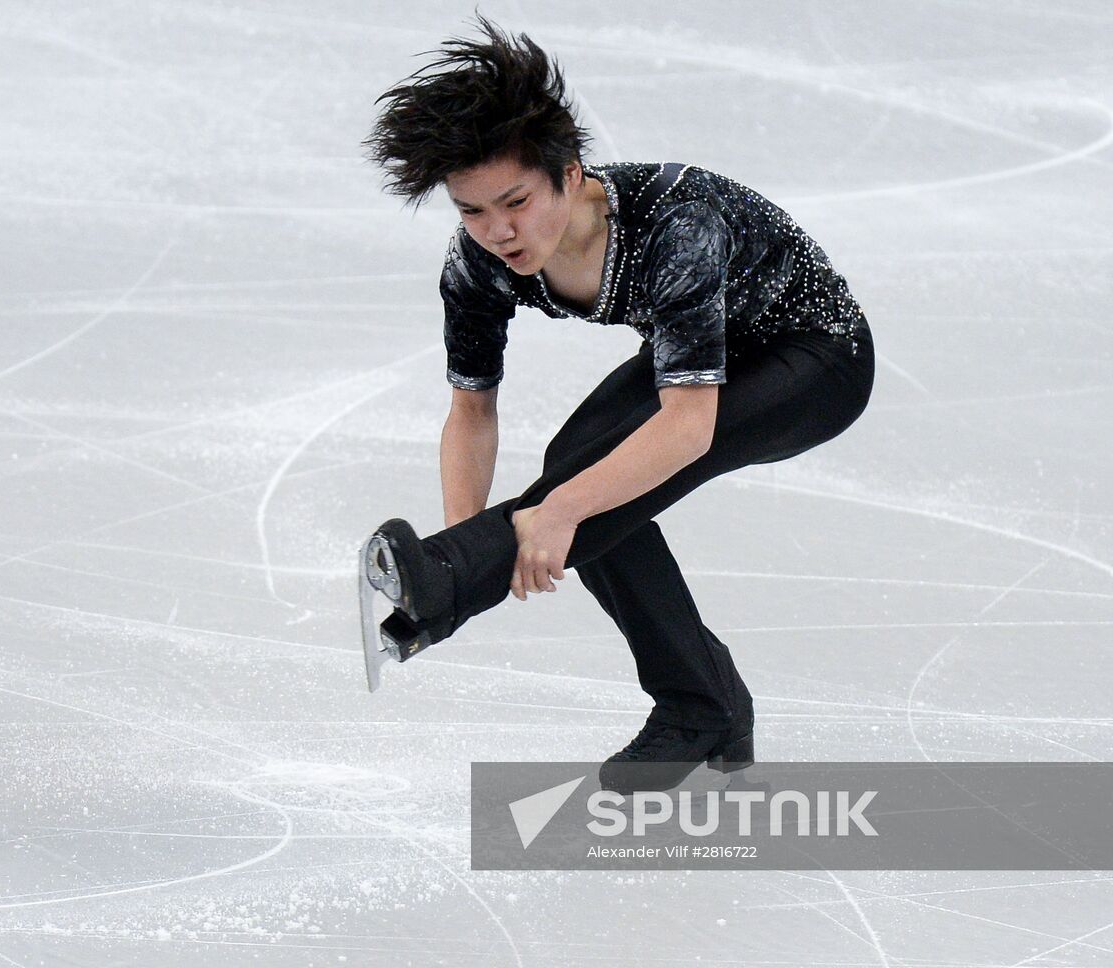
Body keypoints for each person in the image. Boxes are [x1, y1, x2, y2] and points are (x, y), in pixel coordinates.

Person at [359, 16, 874, 792]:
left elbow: (688, 428)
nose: (499, 231)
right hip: (704, 348)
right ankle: (706, 704)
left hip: (816, 357)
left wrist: (544, 522)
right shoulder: (480, 264)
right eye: (471, 211)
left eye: (515, 201)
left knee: (585, 490)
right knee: (579, 469)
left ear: (570, 174)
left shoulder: (677, 225)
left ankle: (683, 701)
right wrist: (464, 541)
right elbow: (472, 413)